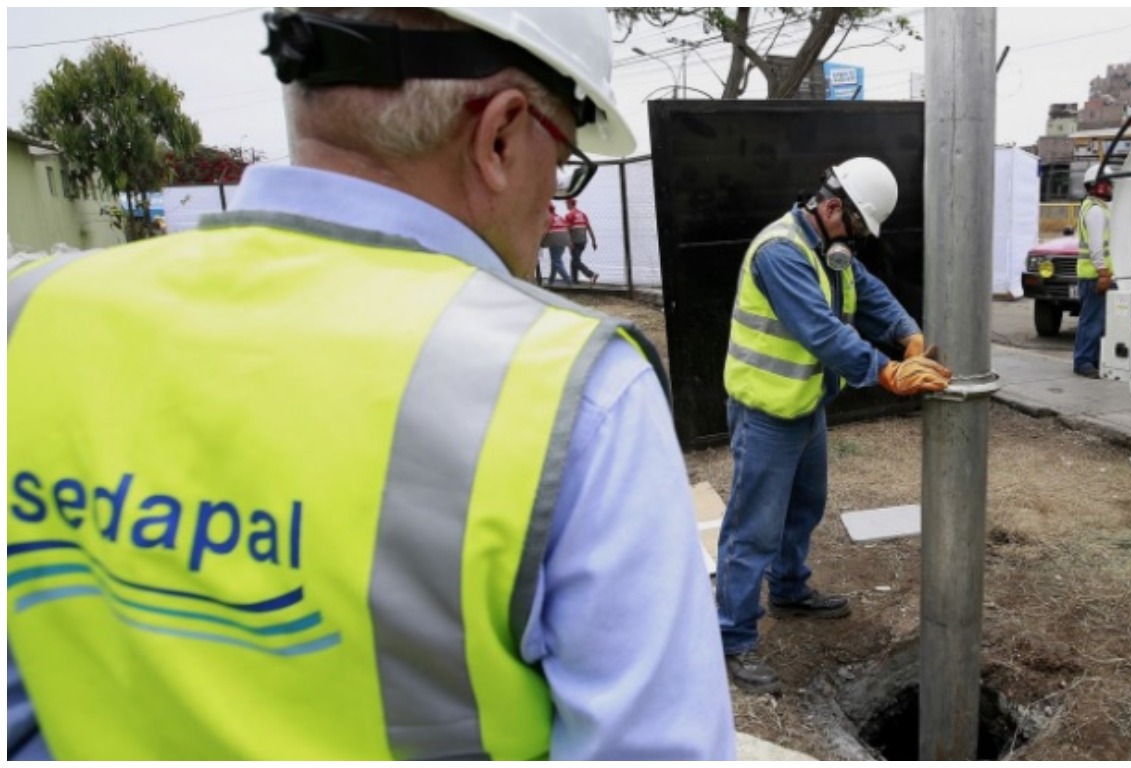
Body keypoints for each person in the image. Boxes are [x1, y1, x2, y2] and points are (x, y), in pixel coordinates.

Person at [6, 8, 734, 761]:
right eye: (563, 163)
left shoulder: (29, 316)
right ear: (501, 134)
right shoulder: (570, 389)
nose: (553, 198)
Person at [716, 157, 952, 693]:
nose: (859, 240)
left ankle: (790, 590)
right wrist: (888, 372)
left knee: (804, 507)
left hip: (804, 405)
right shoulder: (781, 253)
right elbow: (822, 333)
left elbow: (868, 292)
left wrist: (907, 334)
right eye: (858, 227)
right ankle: (732, 638)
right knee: (752, 527)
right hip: (766, 411)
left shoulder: (830, 248)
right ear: (831, 207)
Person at [1073, 163, 1112, 379]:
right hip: (1094, 275)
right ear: (1097, 186)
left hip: (1094, 274)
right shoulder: (1095, 210)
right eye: (1107, 184)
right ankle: (1084, 361)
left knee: (1097, 320)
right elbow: (1096, 245)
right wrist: (1103, 272)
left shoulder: (1096, 207)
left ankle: (1092, 359)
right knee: (1092, 320)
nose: (1110, 188)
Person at [564, 197, 599, 286]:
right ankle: (574, 280)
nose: (566, 205)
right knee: (574, 260)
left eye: (566, 204)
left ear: (569, 203)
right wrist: (594, 241)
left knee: (576, 261)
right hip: (583, 242)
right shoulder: (583, 214)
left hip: (574, 242)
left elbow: (566, 230)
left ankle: (591, 274)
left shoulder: (569, 215)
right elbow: (589, 228)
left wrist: (569, 242)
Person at [544, 202, 573, 286]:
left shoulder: (548, 218)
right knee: (556, 260)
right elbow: (566, 228)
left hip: (555, 241)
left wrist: (541, 242)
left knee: (556, 262)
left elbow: (545, 231)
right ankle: (551, 281)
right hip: (564, 240)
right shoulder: (559, 217)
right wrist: (569, 242)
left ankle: (568, 281)